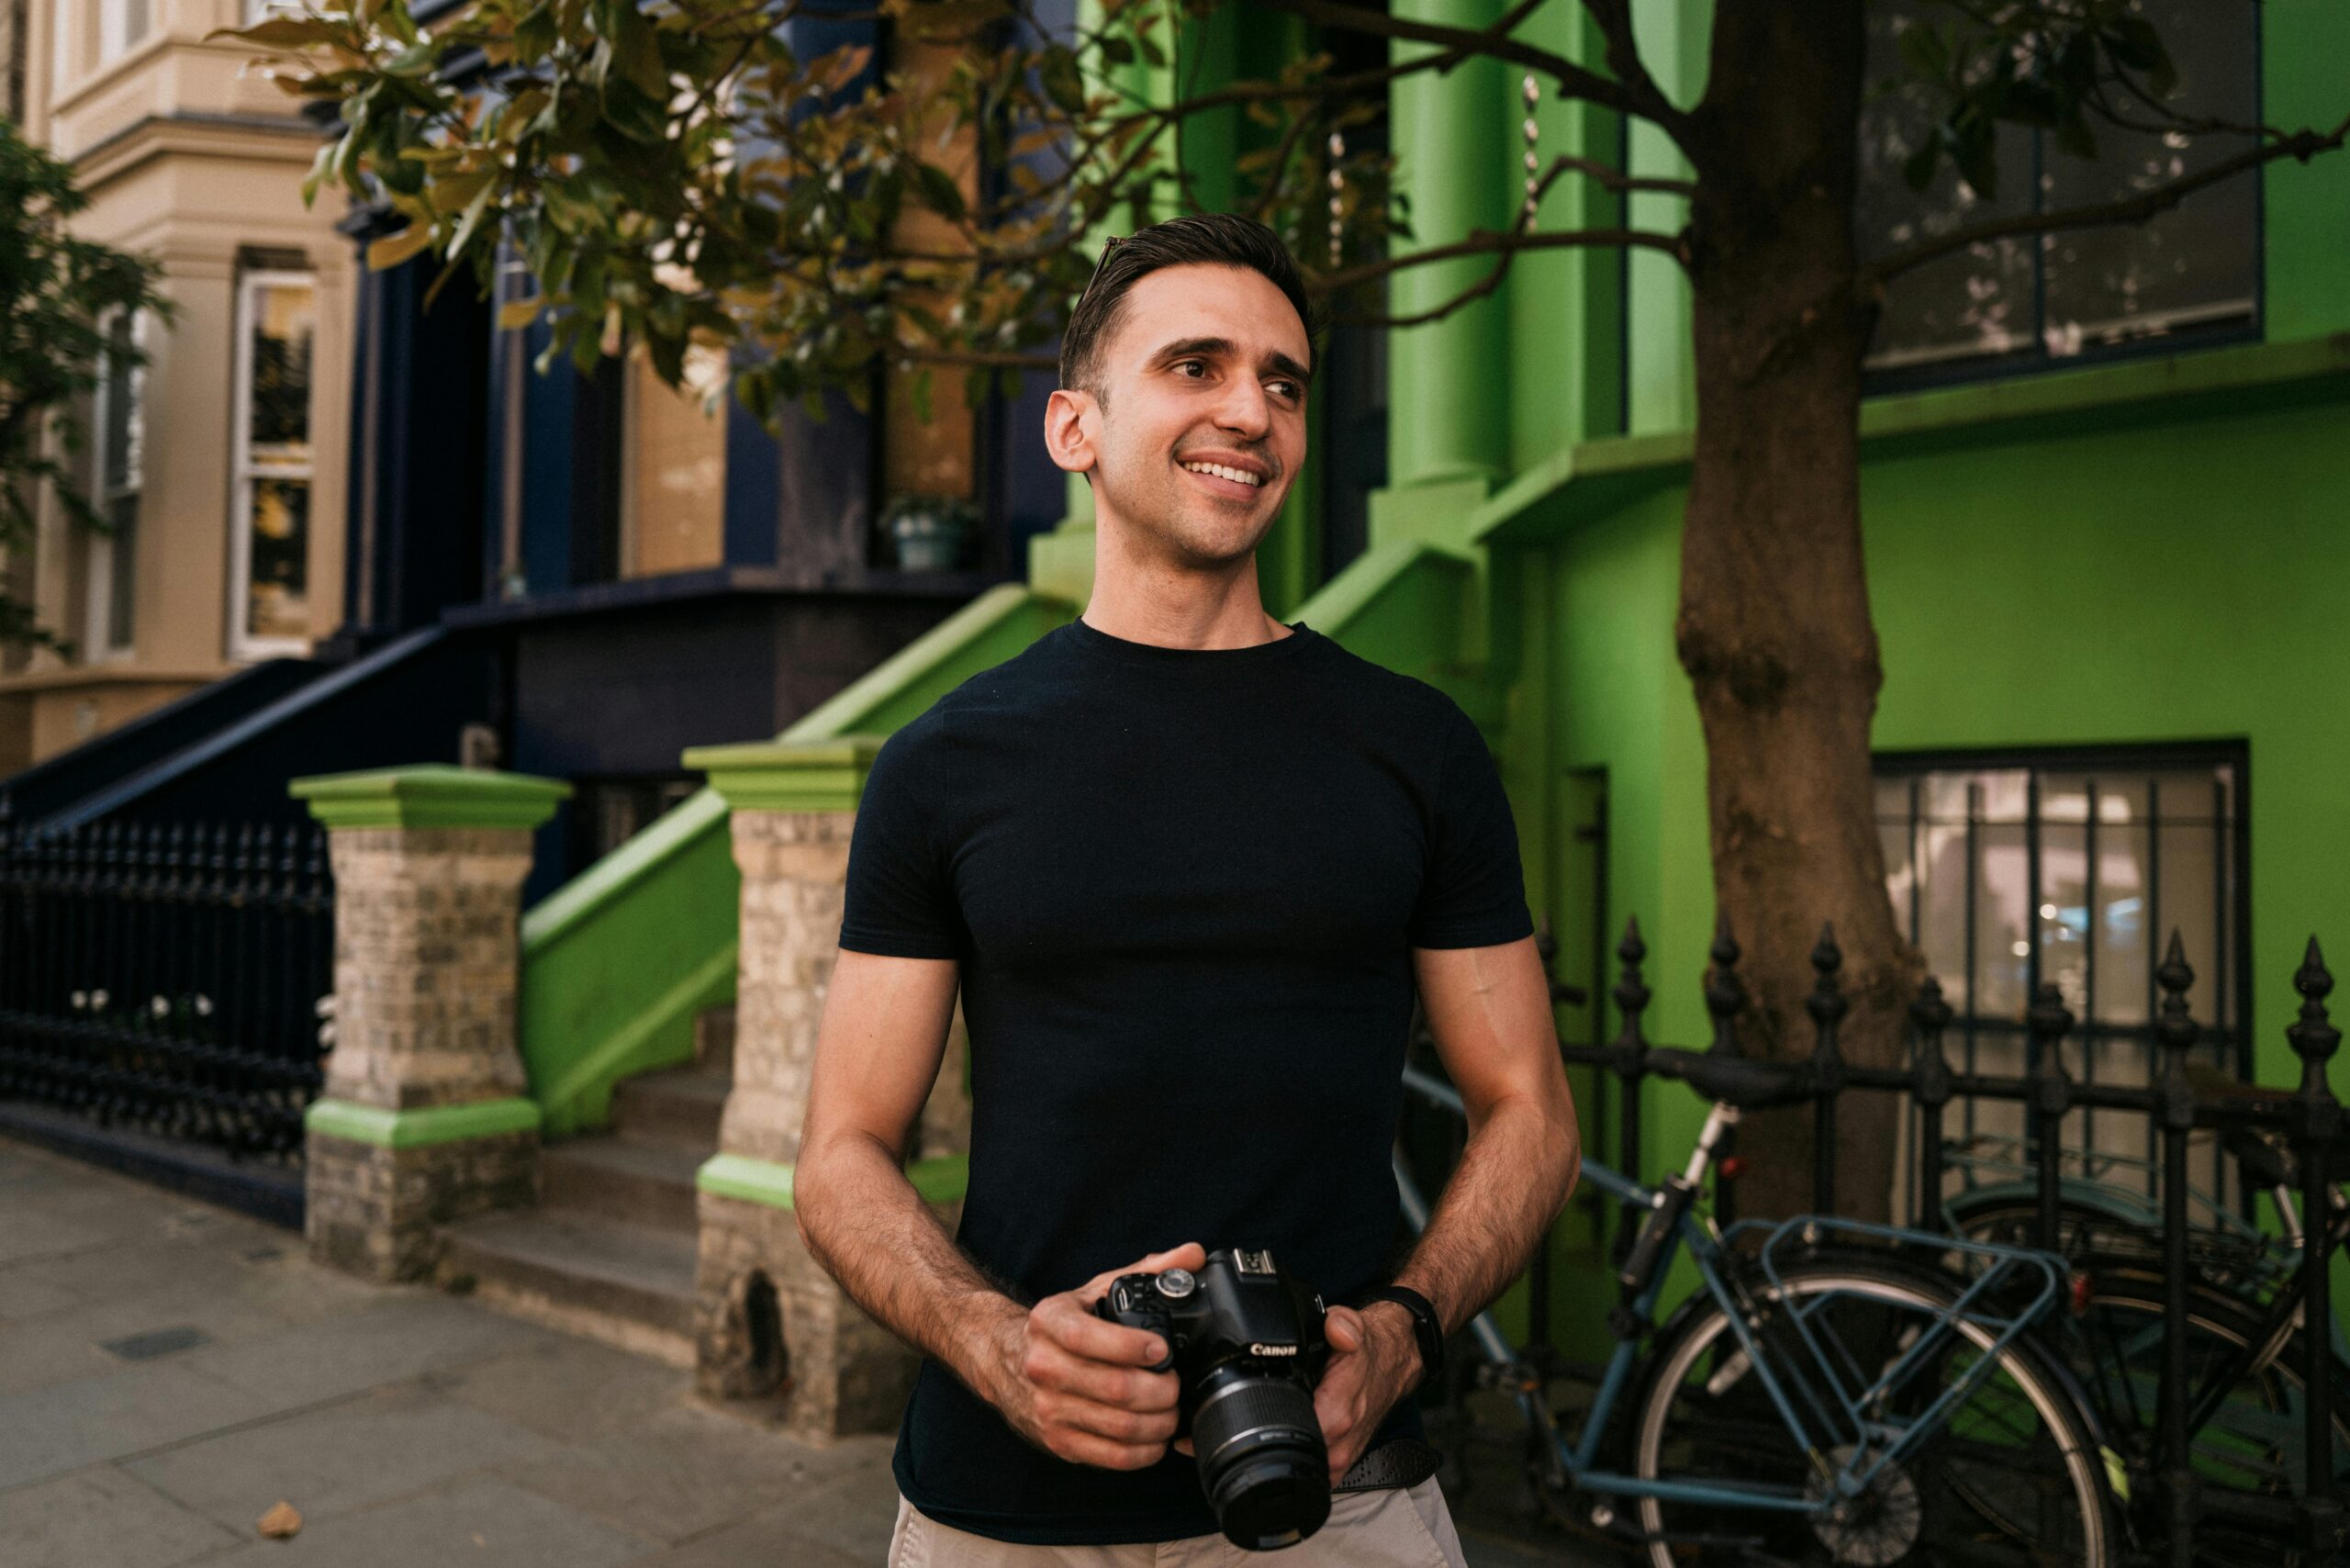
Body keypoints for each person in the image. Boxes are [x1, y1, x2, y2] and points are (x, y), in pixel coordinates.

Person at [792, 213, 1581, 1566]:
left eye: (1282, 381)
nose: (1251, 411)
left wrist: (1402, 1335)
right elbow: (841, 1152)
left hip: (1341, 1501)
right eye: (1196, 366)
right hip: (1006, 1506)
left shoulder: (1417, 750)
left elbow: (1530, 1112)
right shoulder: (942, 766)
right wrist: (994, 1345)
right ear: (1073, 430)